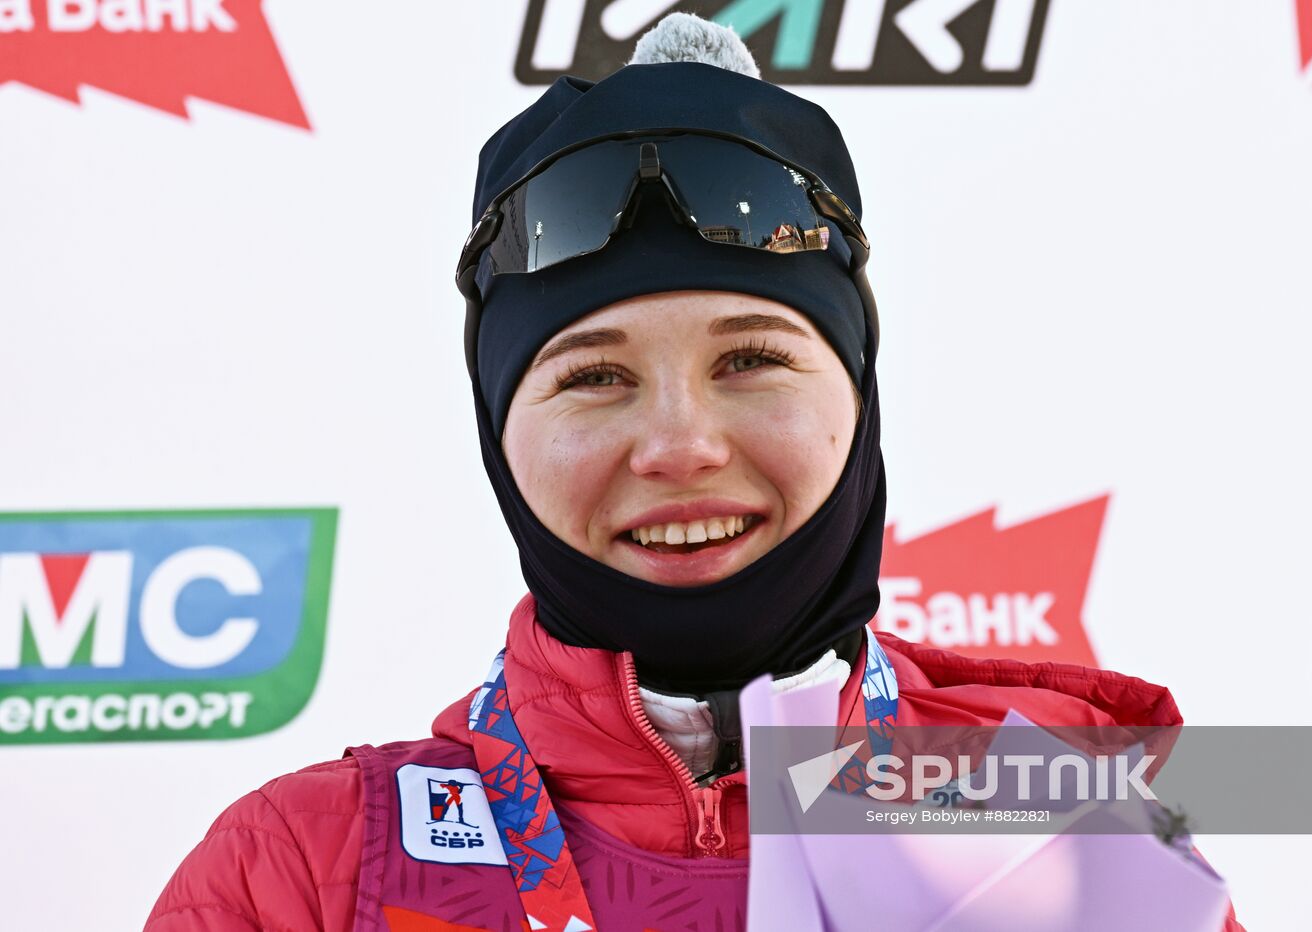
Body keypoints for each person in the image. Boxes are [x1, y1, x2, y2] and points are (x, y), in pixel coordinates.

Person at [147, 14, 1245, 932]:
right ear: (497, 427)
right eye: (593, 378)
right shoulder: (307, 867)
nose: (680, 443)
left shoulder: (1055, 814)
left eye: (752, 359)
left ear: (856, 394)